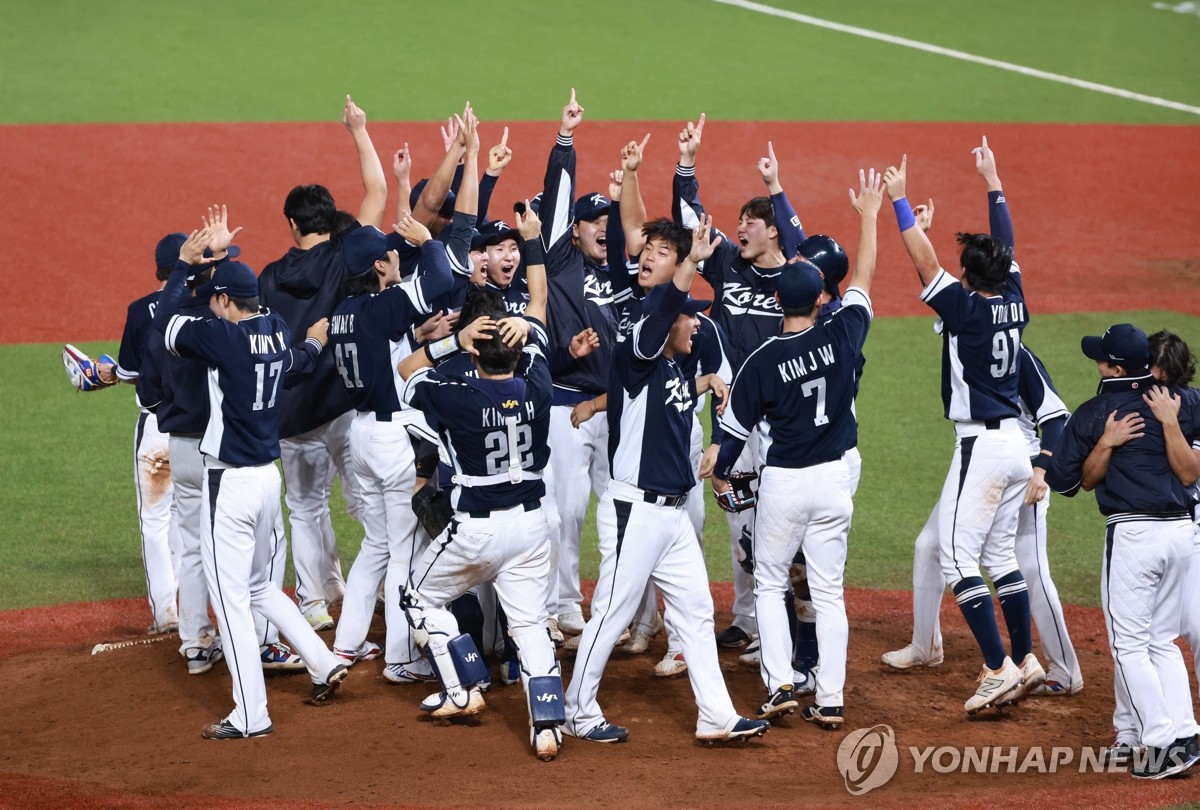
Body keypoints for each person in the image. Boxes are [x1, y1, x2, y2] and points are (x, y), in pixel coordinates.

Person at [562, 215, 769, 745]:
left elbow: (671, 357)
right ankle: (577, 710)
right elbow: (660, 317)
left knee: (696, 612)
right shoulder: (639, 339)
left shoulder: (676, 365)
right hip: (635, 508)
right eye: (647, 250)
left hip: (672, 513)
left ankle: (716, 715)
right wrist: (688, 265)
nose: (694, 323)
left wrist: (703, 380)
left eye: (662, 251)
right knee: (611, 612)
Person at [882, 151, 1082, 697]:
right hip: (1018, 446)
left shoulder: (965, 310)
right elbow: (1005, 245)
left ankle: (997, 668)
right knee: (997, 557)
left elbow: (925, 264)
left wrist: (900, 200)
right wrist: (993, 181)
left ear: (967, 277)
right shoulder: (1014, 300)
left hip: (982, 446)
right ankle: (1025, 659)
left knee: (955, 556)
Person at [152, 224, 349, 740]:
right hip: (268, 480)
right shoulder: (278, 329)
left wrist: (183, 268)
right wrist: (312, 342)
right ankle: (324, 662)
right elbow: (296, 366)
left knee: (233, 599)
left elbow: (165, 323)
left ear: (224, 301)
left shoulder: (223, 337)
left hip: (232, 486)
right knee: (261, 586)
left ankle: (250, 713)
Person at [396, 203, 570, 761]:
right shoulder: (538, 382)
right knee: (530, 625)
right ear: (519, 348)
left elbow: (405, 371)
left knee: (420, 597)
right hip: (531, 528)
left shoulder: (457, 395)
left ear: (476, 351)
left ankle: (463, 687)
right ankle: (546, 726)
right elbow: (538, 307)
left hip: (474, 530)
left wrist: (453, 341)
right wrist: (534, 243)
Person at [710, 168, 882, 730]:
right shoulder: (844, 332)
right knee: (829, 592)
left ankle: (781, 682)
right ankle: (829, 697)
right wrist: (871, 217)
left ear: (778, 297)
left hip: (784, 480)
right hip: (835, 480)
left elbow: (732, 437)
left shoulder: (761, 363)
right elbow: (864, 282)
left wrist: (717, 468)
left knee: (769, 581)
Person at [673, 117, 806, 652]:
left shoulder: (798, 280)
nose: (738, 230)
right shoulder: (729, 264)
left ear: (771, 229)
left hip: (786, 423)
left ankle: (795, 624)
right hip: (732, 419)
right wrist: (687, 164)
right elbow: (692, 224)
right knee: (739, 524)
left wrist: (775, 188)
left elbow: (799, 246)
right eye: (739, 223)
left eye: (749, 222)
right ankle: (749, 619)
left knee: (786, 528)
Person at [1045, 323, 1200, 778]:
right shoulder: (1183, 400)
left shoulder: (1095, 412)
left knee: (1129, 645)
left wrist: (1104, 442)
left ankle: (1159, 743)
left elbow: (1067, 483)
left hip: (1135, 536)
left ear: (1113, 366)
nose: (1098, 363)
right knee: (1160, 640)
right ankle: (1186, 734)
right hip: (1181, 535)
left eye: (1101, 358)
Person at [257, 95, 388, 630]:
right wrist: (358, 128)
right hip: (343, 406)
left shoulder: (266, 277)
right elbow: (378, 192)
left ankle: (313, 601)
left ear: (291, 224)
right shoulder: (343, 254)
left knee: (306, 507)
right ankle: (379, 585)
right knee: (366, 500)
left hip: (290, 411)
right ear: (329, 220)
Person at [327, 215, 455, 679]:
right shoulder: (383, 306)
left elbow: (382, 348)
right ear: (380, 266)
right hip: (392, 437)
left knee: (377, 545)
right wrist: (429, 240)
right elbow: (441, 277)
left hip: (360, 435)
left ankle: (345, 644)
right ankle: (402, 658)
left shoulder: (344, 310)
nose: (399, 253)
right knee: (403, 550)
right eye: (391, 253)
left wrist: (415, 337)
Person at [538, 89, 619, 641]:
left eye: (606, 220)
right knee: (566, 514)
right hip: (568, 409)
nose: (601, 227)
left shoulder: (623, 269)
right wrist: (566, 140)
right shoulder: (562, 259)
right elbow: (558, 198)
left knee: (617, 518)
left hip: (618, 410)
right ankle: (565, 604)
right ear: (573, 229)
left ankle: (616, 607)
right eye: (592, 220)